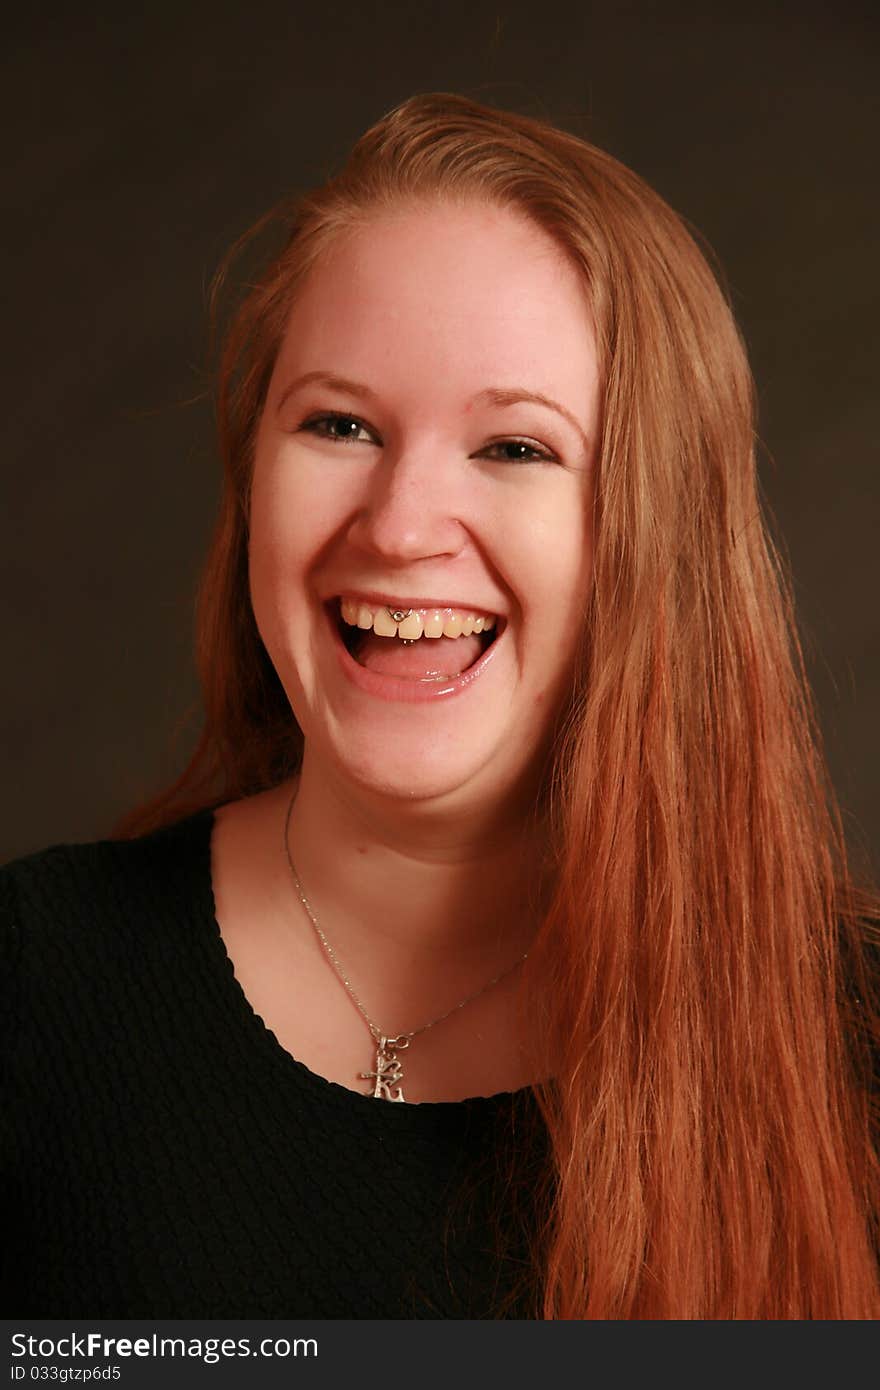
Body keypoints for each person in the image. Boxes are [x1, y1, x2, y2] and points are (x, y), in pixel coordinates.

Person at [2, 92, 878, 1321]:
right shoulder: (31, 983)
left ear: (658, 530)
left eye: (515, 448)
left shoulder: (858, 1045)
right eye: (338, 423)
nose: (401, 526)